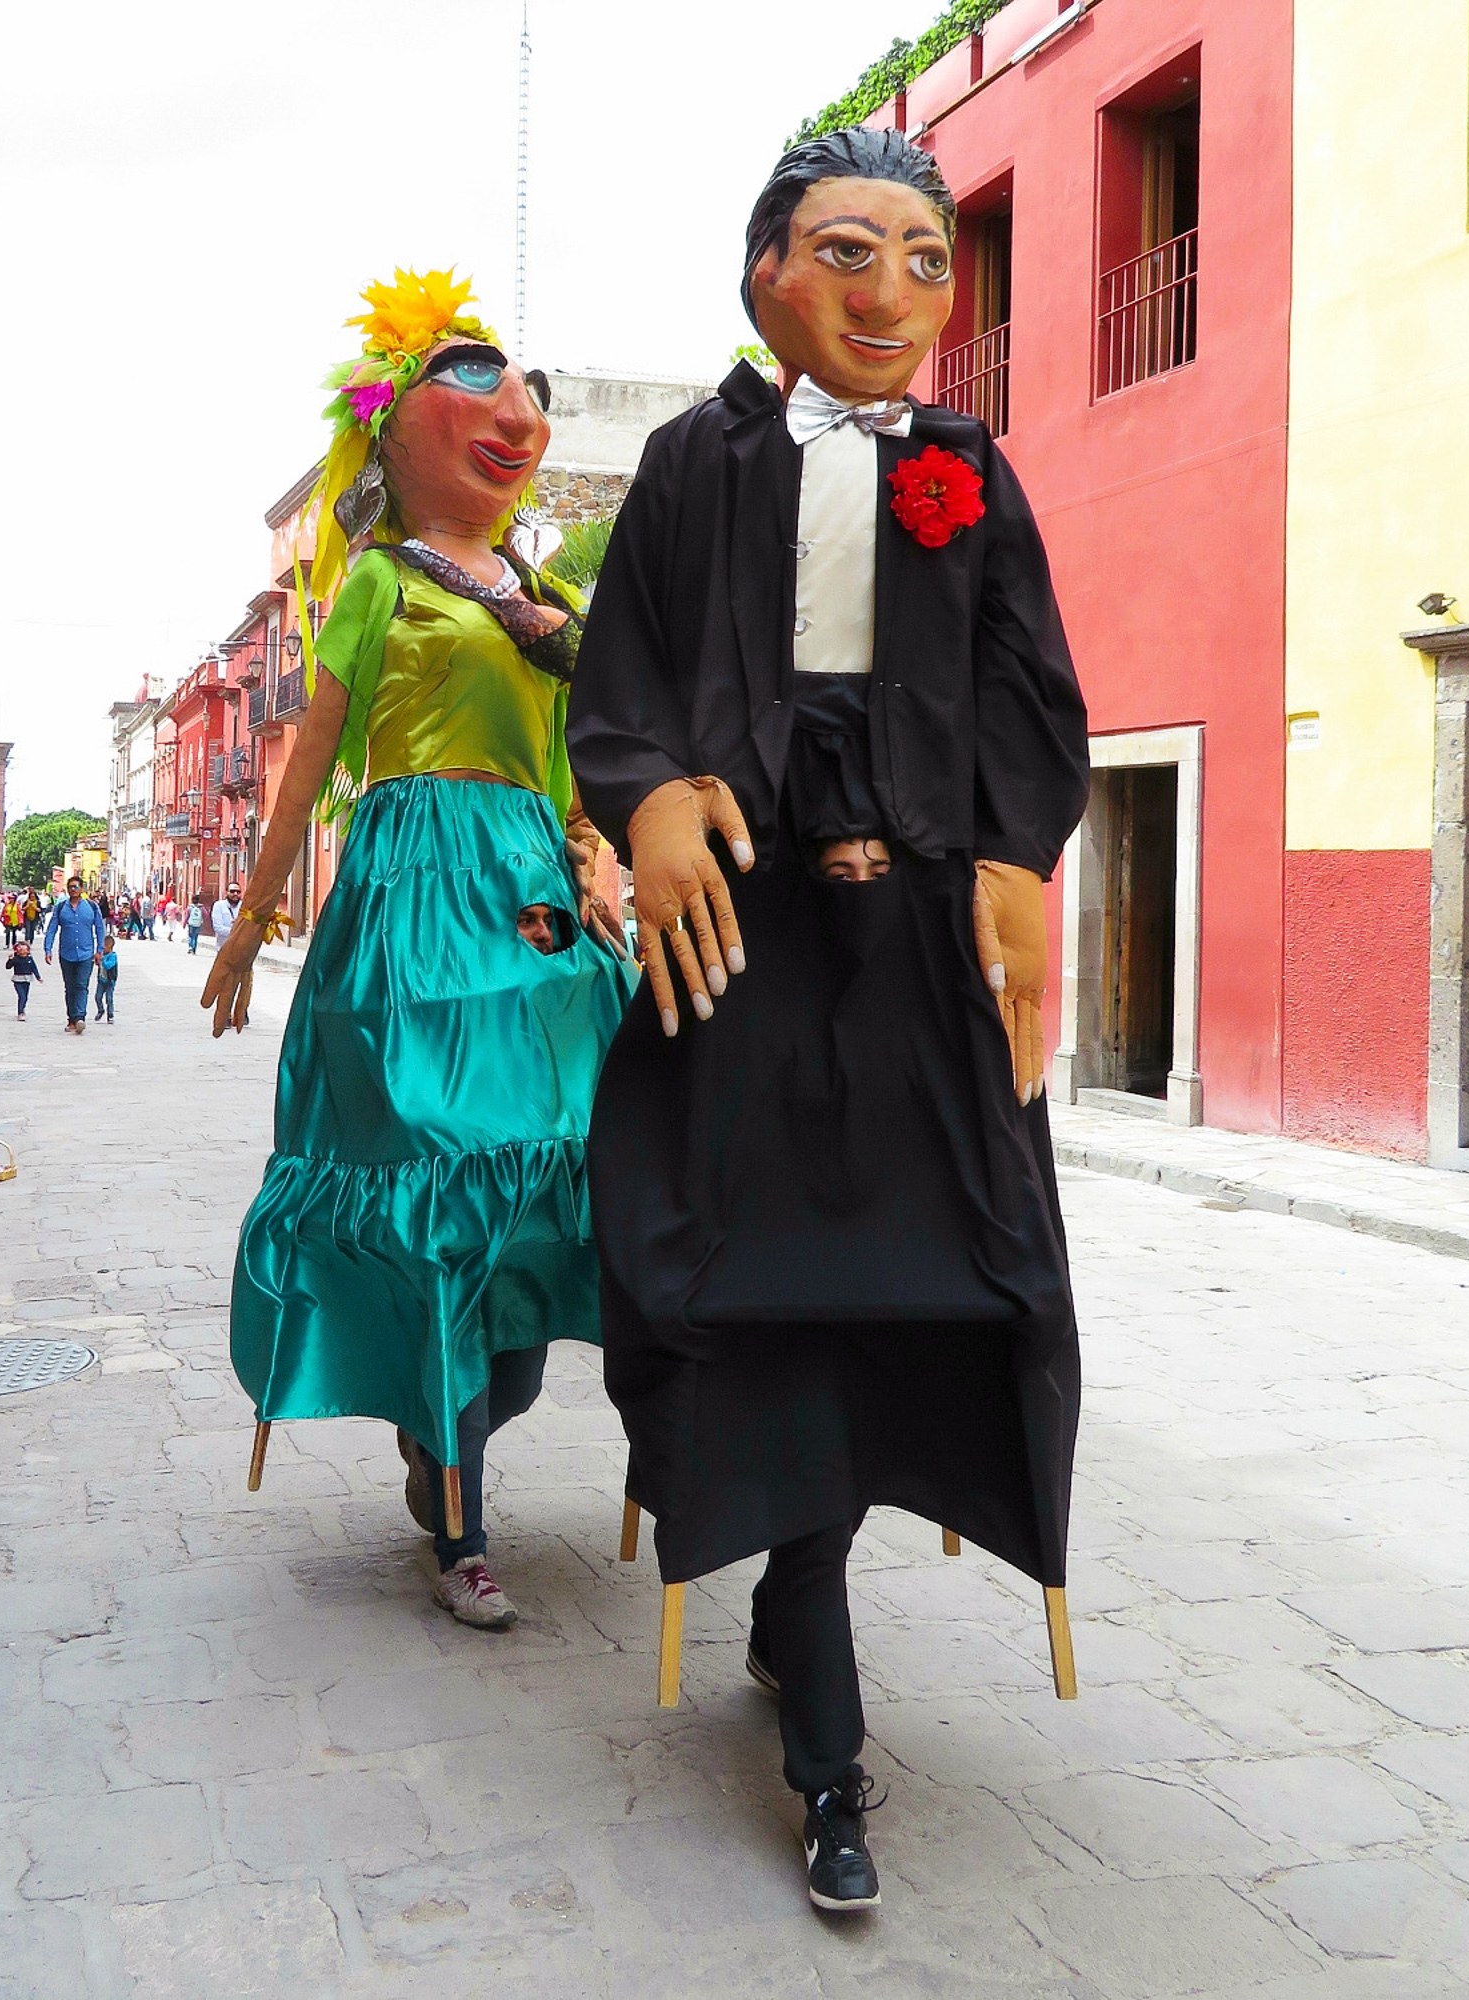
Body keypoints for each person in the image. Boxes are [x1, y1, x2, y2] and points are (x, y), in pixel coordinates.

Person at [566, 128, 1091, 1913]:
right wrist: (645, 799)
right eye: (852, 251)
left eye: (932, 262)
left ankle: (805, 1590)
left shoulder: (969, 472)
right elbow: (625, 678)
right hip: (747, 958)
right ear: (768, 275)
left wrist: (1018, 858)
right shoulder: (689, 466)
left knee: (964, 1278)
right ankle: (821, 1710)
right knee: (753, 1287)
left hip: (926, 971)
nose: (894, 296)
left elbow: (1033, 682)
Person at [202, 268, 633, 1629]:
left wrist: (597, 858)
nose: (516, 412)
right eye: (474, 377)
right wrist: (252, 915)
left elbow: (581, 765)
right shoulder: (380, 582)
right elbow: (311, 757)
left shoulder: (551, 591)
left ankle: (473, 1420)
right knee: (439, 1175)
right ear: (390, 432)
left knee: (564, 1169)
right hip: (404, 905)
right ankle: (454, 1509)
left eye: (530, 395)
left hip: (529, 907)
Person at [43, 874, 105, 1034]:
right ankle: (71, 1019)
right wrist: (47, 948)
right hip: (67, 953)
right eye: (70, 887)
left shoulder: (91, 907)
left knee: (81, 986)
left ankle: (80, 1018)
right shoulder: (61, 907)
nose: (73, 889)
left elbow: (99, 928)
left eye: (76, 886)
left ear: (81, 889)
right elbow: (52, 928)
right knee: (70, 987)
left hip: (86, 954)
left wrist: (100, 950)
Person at [6, 936, 41, 1019]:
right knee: (22, 996)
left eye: (24, 950)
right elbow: (8, 967)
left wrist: (38, 977)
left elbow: (34, 968)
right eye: (20, 950)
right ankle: (20, 1012)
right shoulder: (15, 959)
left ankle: (23, 1008)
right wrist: (10, 960)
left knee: (25, 997)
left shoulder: (29, 958)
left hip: (27, 979)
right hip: (18, 980)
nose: (22, 951)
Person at [93, 932, 120, 1024]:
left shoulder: (113, 956)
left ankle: (110, 1015)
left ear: (110, 946)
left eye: (104, 946)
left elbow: (108, 966)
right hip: (101, 980)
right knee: (97, 997)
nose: (103, 948)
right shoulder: (101, 954)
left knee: (109, 998)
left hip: (110, 981)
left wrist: (102, 960)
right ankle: (101, 1010)